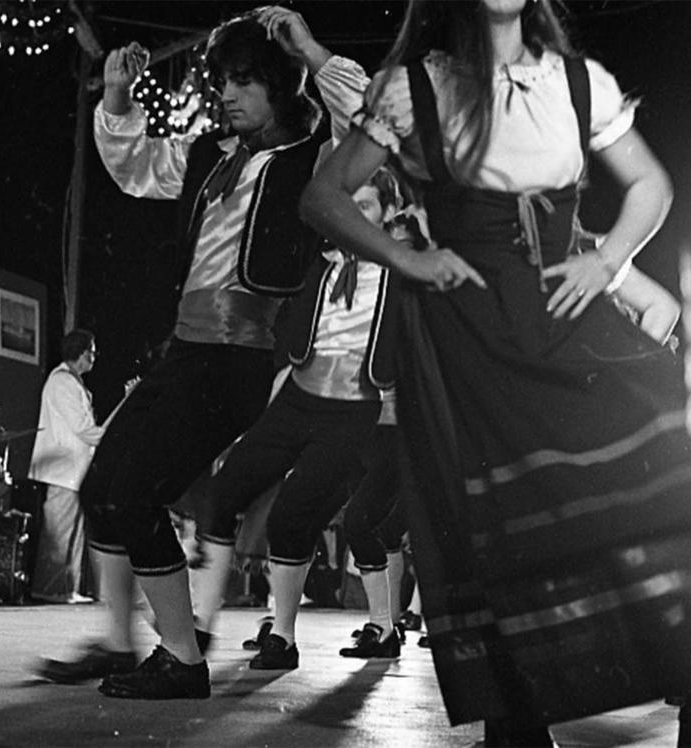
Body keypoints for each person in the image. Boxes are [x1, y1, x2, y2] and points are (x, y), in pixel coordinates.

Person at [301, 1, 691, 745]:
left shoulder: (578, 83)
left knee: (667, 487)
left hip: (570, 313)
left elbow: (650, 188)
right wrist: (410, 258)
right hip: (471, 327)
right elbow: (324, 196)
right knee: (500, 524)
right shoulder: (416, 87)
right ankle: (517, 723)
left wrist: (607, 258)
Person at [33, 7, 367, 700]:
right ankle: (122, 645)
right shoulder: (209, 158)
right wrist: (118, 97)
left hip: (236, 361)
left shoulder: (317, 161)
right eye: (223, 82)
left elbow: (362, 109)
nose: (226, 95)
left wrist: (304, 44)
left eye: (244, 82)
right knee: (101, 491)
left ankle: (182, 660)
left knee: (134, 496)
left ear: (282, 84)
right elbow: (134, 167)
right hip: (184, 354)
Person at [188, 166, 408, 670]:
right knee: (224, 492)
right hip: (296, 400)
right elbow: (288, 348)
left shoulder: (402, 275)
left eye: (367, 207)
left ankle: (282, 638)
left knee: (293, 516)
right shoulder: (320, 266)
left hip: (352, 411)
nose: (353, 217)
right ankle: (199, 625)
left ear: (388, 214)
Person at [28, 329, 103, 604]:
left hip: (74, 470)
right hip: (62, 470)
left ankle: (66, 589)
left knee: (71, 531)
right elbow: (84, 429)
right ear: (81, 353)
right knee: (59, 531)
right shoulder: (62, 382)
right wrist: (111, 432)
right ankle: (51, 589)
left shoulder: (74, 383)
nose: (95, 356)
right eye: (92, 350)